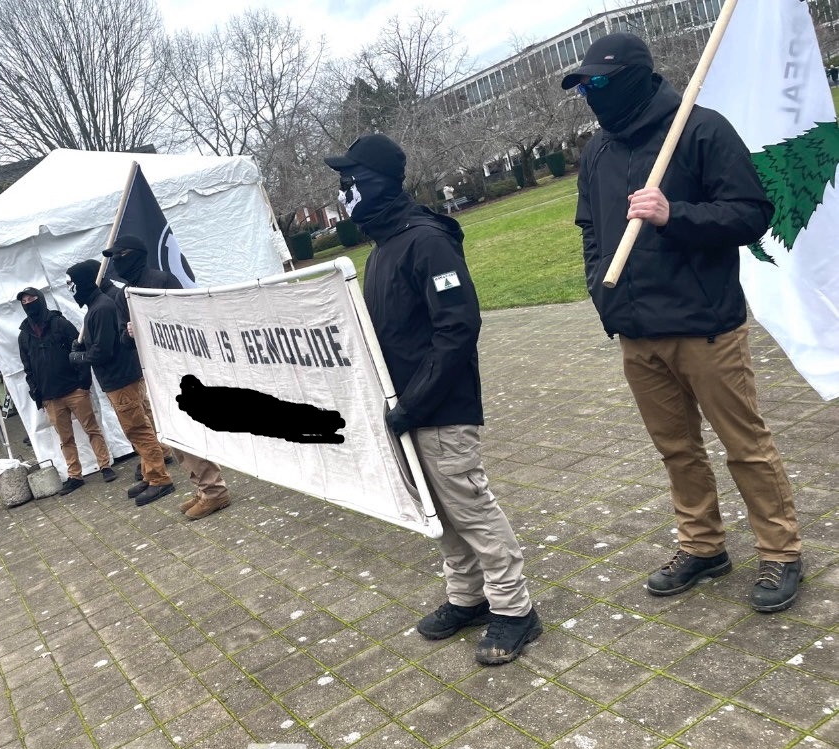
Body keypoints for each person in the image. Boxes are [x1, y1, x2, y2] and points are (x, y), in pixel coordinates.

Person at [563, 33, 802, 613]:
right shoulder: (597, 151)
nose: (592, 94)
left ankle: (781, 550)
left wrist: (676, 215)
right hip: (637, 332)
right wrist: (603, 294)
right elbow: (592, 230)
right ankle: (702, 546)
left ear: (635, 78)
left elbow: (752, 213)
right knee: (676, 449)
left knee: (744, 444)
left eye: (599, 82)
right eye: (584, 86)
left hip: (705, 327)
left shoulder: (699, 129)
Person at [324, 133, 541, 665]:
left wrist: (416, 403)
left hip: (440, 406)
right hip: (406, 409)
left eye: (348, 183)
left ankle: (515, 610)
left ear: (374, 183)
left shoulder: (426, 240)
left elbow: (458, 327)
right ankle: (466, 597)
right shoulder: (381, 248)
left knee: (469, 505)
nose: (343, 194)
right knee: (438, 509)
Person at [103, 235, 231, 520]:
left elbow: (187, 321)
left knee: (190, 429)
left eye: (119, 256)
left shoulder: (162, 280)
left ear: (135, 254)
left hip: (180, 371)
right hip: (153, 372)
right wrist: (131, 333)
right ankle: (201, 486)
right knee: (175, 435)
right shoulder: (125, 294)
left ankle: (214, 490)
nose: (115, 263)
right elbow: (123, 340)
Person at [65, 259, 175, 507]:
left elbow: (104, 351)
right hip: (117, 379)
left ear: (85, 281)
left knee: (138, 428)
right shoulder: (95, 307)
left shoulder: (101, 308)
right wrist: (83, 345)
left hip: (120, 378)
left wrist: (80, 356)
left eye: (72, 283)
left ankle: (160, 479)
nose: (70, 289)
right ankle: (150, 474)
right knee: (134, 428)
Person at [16, 287, 117, 493]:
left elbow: (80, 348)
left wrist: (84, 383)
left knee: (92, 429)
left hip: (74, 389)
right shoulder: (23, 335)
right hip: (50, 397)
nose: (28, 303)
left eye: (31, 298)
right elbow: (28, 367)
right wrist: (38, 394)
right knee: (65, 439)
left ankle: (105, 465)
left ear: (40, 299)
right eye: (24, 301)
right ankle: (74, 475)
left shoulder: (59, 323)